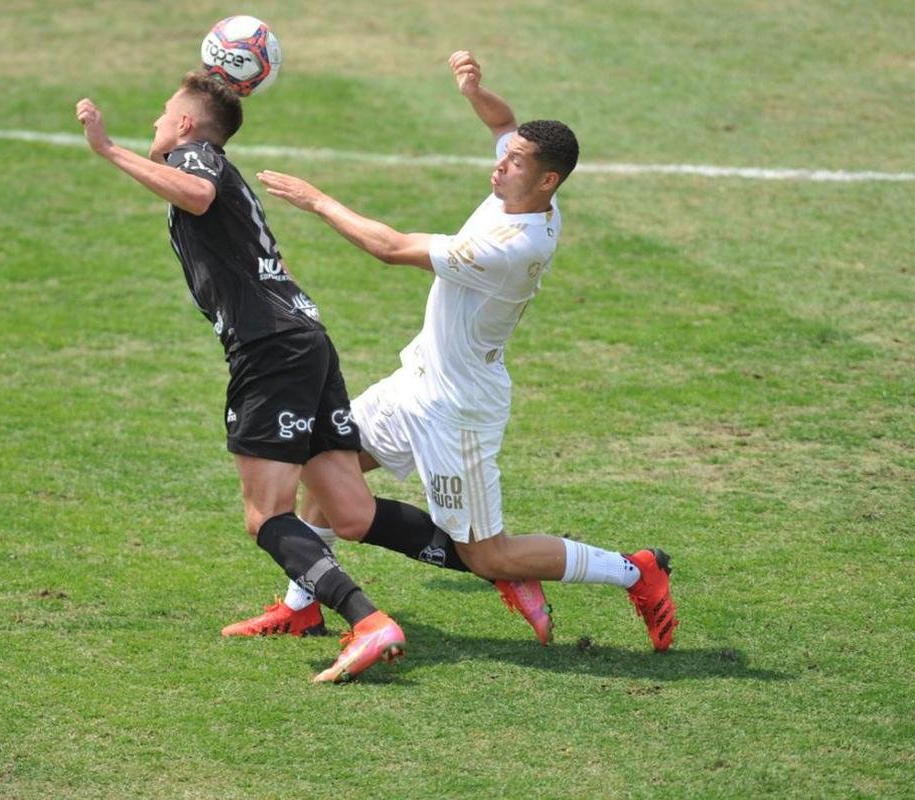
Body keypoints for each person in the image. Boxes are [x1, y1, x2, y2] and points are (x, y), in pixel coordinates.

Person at [226, 51, 677, 652]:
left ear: (547, 181)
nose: (499, 167)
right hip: (415, 380)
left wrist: (318, 201)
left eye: (515, 163)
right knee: (323, 473)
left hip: (457, 409)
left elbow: (389, 248)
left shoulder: (512, 246)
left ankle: (634, 569)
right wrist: (475, 93)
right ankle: (300, 608)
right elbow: (504, 124)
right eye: (506, 157)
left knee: (490, 554)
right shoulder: (523, 189)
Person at [76, 72, 454, 683]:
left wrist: (108, 149)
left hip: (269, 348)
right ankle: (501, 565)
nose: (154, 123)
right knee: (351, 511)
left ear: (186, 126)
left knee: (266, 516)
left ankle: (368, 620)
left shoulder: (197, 158)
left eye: (162, 114)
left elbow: (194, 195)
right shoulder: (213, 163)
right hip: (305, 337)